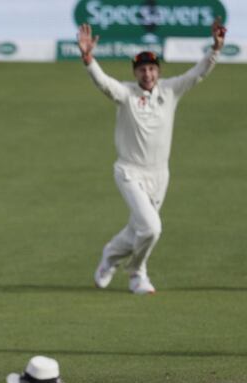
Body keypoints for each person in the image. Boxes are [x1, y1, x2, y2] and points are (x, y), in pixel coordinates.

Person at [77, 19, 227, 294]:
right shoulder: (127, 94)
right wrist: (89, 59)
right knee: (152, 228)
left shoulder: (170, 90)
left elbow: (198, 73)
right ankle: (137, 273)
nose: (147, 73)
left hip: (159, 174)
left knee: (139, 229)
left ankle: (110, 255)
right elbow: (105, 84)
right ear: (135, 72)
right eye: (142, 69)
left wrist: (215, 49)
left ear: (158, 71)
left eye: (152, 68)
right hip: (129, 171)